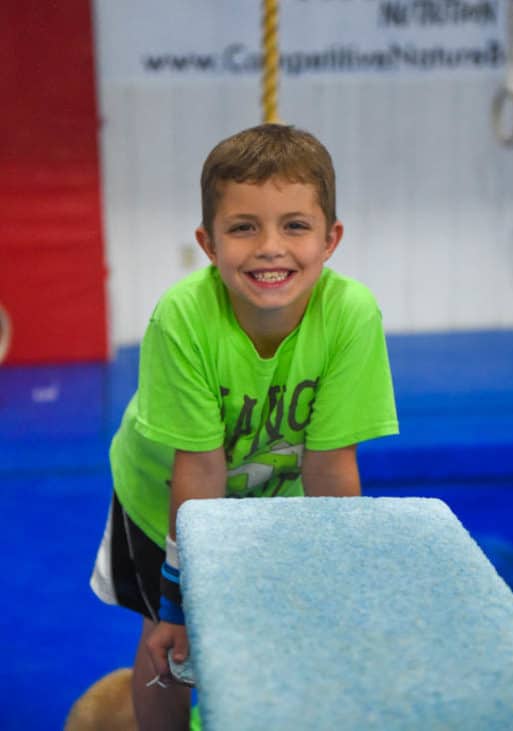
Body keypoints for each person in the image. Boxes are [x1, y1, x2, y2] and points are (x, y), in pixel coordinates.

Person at [90, 123, 399, 730]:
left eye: (295, 225)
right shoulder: (184, 316)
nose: (269, 248)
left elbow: (330, 463)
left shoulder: (350, 315)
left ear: (331, 238)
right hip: (163, 496)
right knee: (169, 648)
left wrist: (345, 578)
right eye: (243, 227)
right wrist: (180, 603)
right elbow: (198, 469)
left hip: (273, 493)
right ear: (208, 243)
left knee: (289, 624)